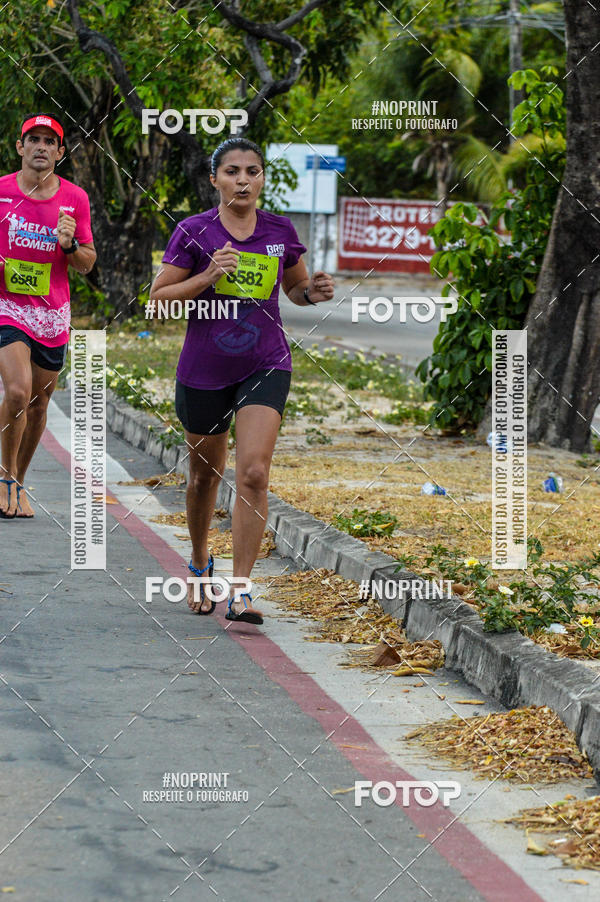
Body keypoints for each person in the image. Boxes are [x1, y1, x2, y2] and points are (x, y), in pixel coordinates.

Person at [150, 137, 334, 623]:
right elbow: (161, 298)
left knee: (254, 472)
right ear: (215, 180)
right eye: (232, 171)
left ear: (262, 179)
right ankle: (198, 562)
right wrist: (207, 276)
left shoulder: (279, 230)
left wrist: (311, 292)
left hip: (265, 362)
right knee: (203, 478)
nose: (243, 180)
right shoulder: (194, 231)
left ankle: (242, 588)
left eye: (253, 171)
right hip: (205, 370)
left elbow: (294, 288)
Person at [0, 113, 96, 518]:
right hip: (7, 307)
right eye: (33, 139)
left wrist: (70, 244)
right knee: (18, 391)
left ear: (59, 152)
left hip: (52, 314)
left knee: (39, 403)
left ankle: (19, 480)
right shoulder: (1, 191)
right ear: (20, 147)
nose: (40, 146)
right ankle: (4, 479)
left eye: (48, 141)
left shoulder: (74, 199)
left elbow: (88, 264)